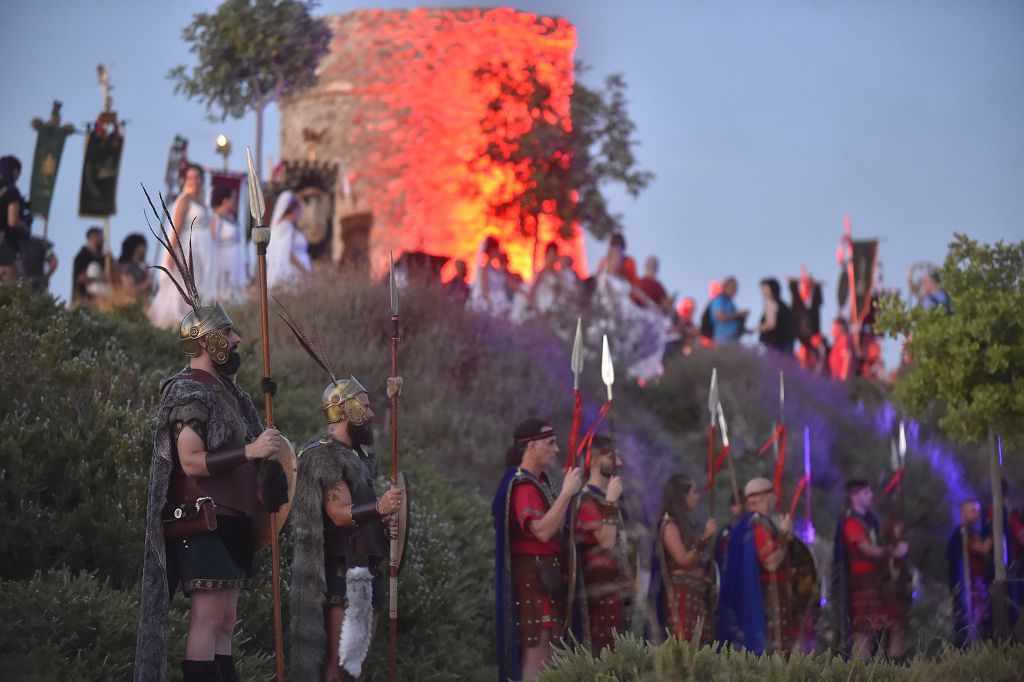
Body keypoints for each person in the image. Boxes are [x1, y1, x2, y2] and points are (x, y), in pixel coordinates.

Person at [134, 205, 287, 682]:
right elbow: (191, 460)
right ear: (205, 341)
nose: (238, 339)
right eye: (228, 333)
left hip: (234, 519)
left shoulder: (233, 394)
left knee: (225, 622)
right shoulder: (190, 390)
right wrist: (250, 451)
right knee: (207, 619)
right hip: (201, 517)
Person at [285, 329, 402, 682]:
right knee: (337, 672)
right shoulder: (325, 455)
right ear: (344, 410)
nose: (369, 413)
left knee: (354, 669)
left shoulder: (356, 457)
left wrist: (384, 524)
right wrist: (379, 509)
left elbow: (362, 516)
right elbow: (338, 514)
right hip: (344, 574)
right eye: (363, 406)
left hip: (364, 569)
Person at [493, 418, 582, 681]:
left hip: (546, 579)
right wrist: (566, 494)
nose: (557, 449)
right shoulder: (523, 486)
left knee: (549, 654)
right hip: (533, 582)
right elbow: (542, 531)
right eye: (550, 443)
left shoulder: (537, 482)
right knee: (537, 656)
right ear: (531, 447)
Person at [715, 477, 795, 655]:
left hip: (768, 597)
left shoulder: (746, 525)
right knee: (774, 656)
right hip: (767, 600)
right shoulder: (758, 525)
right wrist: (784, 535)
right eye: (773, 494)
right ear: (765, 498)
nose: (775, 499)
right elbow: (771, 563)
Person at [832, 479, 909, 660]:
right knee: (863, 632)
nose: (871, 496)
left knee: (893, 625)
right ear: (854, 496)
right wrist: (893, 553)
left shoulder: (870, 520)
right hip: (862, 585)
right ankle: (861, 673)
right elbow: (866, 549)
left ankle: (892, 669)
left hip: (877, 584)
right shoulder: (850, 522)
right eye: (866, 493)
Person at [570, 435, 630, 655]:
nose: (619, 463)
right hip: (596, 595)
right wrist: (611, 501)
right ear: (594, 459)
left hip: (615, 592)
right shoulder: (587, 500)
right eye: (611, 456)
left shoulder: (607, 498)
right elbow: (606, 541)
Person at [651, 474, 717, 644]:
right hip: (682, 600)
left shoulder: (684, 523)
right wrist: (705, 538)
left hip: (695, 597)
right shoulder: (669, 525)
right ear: (682, 496)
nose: (698, 496)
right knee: (685, 648)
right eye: (694, 492)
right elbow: (683, 560)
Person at [149, 164, 215, 327]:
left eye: (197, 177)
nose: (194, 181)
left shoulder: (202, 201)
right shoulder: (184, 200)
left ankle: (194, 322)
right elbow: (176, 227)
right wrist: (171, 253)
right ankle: (174, 323)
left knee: (197, 288)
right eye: (190, 178)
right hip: (186, 248)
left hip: (201, 252)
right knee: (182, 289)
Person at [947, 500, 993, 646]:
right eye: (972, 510)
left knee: (980, 618)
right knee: (970, 619)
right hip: (969, 584)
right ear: (963, 512)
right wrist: (994, 532)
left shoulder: (974, 533)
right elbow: (983, 549)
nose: (976, 514)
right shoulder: (961, 533)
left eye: (977, 510)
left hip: (979, 581)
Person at [210, 185, 248, 303]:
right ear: (225, 200)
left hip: (236, 262)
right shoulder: (215, 218)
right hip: (223, 264)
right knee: (224, 294)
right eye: (233, 199)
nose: (234, 202)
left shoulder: (231, 218)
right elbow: (211, 244)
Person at [266, 190, 311, 289]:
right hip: (294, 274)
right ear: (295, 209)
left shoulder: (284, 226)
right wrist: (304, 270)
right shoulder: (286, 227)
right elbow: (287, 253)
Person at [470, 236, 512, 317]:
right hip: (493, 303)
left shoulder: (495, 269)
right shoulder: (484, 269)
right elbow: (484, 290)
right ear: (492, 251)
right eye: (497, 249)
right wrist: (489, 306)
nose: (499, 252)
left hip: (501, 301)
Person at [0, 155, 30, 259]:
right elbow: (13, 221)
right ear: (14, 171)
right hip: (5, 245)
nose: (18, 178)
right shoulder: (12, 191)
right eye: (18, 173)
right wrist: (25, 225)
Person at [71, 226, 107, 307]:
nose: (103, 240)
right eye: (101, 237)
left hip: (100, 301)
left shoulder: (102, 258)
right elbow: (81, 278)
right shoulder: (82, 256)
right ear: (93, 237)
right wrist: (100, 278)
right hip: (83, 301)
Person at [757, 277, 794, 355]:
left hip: (775, 346)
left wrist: (754, 329)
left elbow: (770, 324)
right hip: (786, 346)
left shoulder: (771, 303)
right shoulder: (783, 304)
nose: (762, 291)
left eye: (764, 288)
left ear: (772, 289)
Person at [709, 277, 748, 343]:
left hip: (733, 340)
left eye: (735, 288)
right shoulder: (719, 299)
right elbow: (720, 316)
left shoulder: (730, 303)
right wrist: (738, 314)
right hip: (723, 339)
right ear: (725, 287)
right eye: (732, 287)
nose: (734, 290)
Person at [117, 233, 152, 305]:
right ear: (138, 248)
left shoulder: (140, 269)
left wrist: (147, 273)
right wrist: (146, 283)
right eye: (144, 247)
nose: (146, 250)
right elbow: (129, 290)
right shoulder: (126, 268)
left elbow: (149, 291)